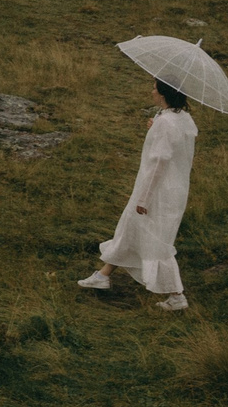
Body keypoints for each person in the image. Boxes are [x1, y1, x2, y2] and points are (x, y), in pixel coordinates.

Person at [78, 77, 198, 310]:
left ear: (163, 94)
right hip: (174, 189)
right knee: (130, 228)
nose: (151, 91)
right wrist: (156, 128)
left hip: (157, 191)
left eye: (154, 88)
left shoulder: (167, 123)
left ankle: (176, 296)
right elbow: (173, 141)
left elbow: (160, 161)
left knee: (157, 242)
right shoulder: (181, 118)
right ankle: (103, 275)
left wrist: (144, 198)